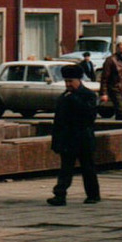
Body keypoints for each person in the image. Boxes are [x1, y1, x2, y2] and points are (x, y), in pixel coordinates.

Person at [47, 64, 100, 206]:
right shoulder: (63, 97)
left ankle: (93, 195)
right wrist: (56, 140)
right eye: (66, 82)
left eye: (71, 81)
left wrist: (74, 99)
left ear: (79, 80)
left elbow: (89, 116)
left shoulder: (88, 95)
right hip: (68, 139)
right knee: (65, 169)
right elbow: (58, 121)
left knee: (88, 168)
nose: (68, 84)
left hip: (83, 138)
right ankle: (60, 195)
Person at [99, 36, 122, 120]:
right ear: (117, 47)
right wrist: (103, 93)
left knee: (121, 113)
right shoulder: (111, 60)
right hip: (115, 89)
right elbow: (104, 78)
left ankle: (119, 130)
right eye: (121, 45)